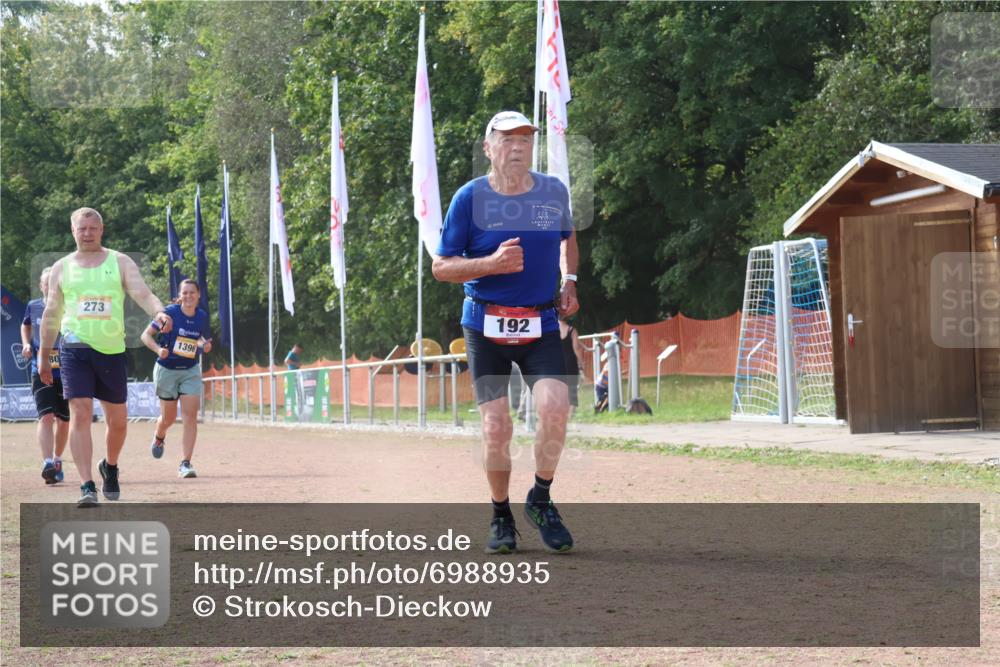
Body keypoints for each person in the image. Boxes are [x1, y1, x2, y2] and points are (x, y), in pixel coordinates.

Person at [432, 110, 580, 554]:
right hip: (484, 323)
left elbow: (567, 239)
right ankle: (500, 514)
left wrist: (570, 280)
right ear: (488, 148)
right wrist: (490, 264)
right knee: (497, 427)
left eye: (524, 139)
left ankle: (540, 497)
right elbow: (441, 266)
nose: (517, 147)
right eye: (507, 139)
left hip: (540, 321)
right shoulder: (469, 199)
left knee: (555, 408)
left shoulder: (552, 191)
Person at [38, 207, 173, 507]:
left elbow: (143, 293)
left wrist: (160, 311)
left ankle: (109, 466)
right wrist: (44, 354)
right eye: (81, 229)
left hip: (111, 351)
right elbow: (51, 312)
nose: (87, 234)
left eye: (92, 228)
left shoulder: (119, 261)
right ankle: (87, 485)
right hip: (74, 348)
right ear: (73, 231)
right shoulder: (61, 267)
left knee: (118, 422)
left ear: (102, 230)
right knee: (80, 412)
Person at [140, 279, 212, 478]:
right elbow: (145, 336)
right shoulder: (169, 313)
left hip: (190, 370)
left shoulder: (202, 317)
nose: (188, 296)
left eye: (192, 293)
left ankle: (185, 463)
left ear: (198, 295)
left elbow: (203, 340)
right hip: (167, 369)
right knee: (169, 418)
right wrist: (158, 350)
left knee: (190, 417)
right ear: (180, 296)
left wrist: (205, 345)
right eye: (185, 293)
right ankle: (159, 434)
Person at [21, 267, 69, 484]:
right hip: (39, 367)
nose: (50, 287)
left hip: (67, 369)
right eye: (46, 283)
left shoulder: (68, 306)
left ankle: (58, 459)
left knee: (64, 421)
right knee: (46, 416)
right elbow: (26, 325)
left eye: (54, 283)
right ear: (41, 286)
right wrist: (26, 344)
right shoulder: (33, 306)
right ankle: (47, 462)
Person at [559, 316, 584, 412]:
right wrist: (581, 363)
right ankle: (571, 413)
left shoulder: (552, 331)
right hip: (570, 362)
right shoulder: (571, 330)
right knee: (572, 387)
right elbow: (576, 348)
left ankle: (561, 411)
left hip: (557, 363)